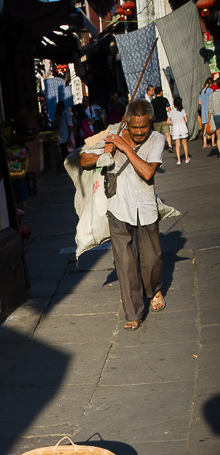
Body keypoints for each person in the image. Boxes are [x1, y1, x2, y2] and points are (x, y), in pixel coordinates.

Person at [79, 98, 166, 331]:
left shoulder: (157, 139)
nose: (139, 132)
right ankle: (133, 312)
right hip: (117, 207)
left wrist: (124, 147)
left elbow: (148, 172)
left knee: (152, 259)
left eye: (143, 127)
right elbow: (83, 158)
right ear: (126, 122)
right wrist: (103, 154)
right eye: (134, 127)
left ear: (151, 122)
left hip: (146, 209)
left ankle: (154, 289)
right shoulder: (112, 132)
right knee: (125, 263)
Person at [167, 97, 189, 164]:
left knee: (177, 145)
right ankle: (186, 158)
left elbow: (167, 122)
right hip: (183, 128)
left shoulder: (172, 112)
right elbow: (186, 120)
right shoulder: (182, 110)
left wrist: (172, 123)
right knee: (184, 144)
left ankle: (179, 160)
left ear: (174, 104)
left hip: (176, 129)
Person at [55, 100, 74, 173]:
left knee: (67, 155)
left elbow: (70, 126)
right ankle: (66, 169)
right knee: (63, 154)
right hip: (62, 138)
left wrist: (69, 137)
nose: (56, 109)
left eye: (57, 107)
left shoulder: (67, 115)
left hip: (66, 138)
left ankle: (68, 169)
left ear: (60, 107)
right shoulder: (60, 116)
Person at [151, 86, 173, 152]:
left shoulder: (153, 101)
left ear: (155, 93)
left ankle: (157, 147)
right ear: (161, 92)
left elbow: (151, 111)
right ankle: (170, 146)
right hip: (164, 119)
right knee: (167, 133)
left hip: (156, 120)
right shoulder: (165, 100)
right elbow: (169, 109)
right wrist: (171, 117)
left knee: (157, 134)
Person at [199, 77, 214, 148]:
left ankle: (204, 143)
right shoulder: (210, 90)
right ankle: (213, 142)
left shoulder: (201, 91)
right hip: (209, 110)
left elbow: (199, 102)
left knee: (205, 127)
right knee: (211, 126)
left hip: (203, 111)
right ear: (210, 83)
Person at [208, 84, 220, 158]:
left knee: (219, 137)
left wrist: (208, 120)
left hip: (216, 116)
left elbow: (210, 109)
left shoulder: (212, 95)